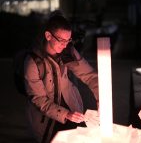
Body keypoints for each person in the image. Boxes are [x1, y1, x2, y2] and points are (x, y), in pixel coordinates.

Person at [24, 11, 99, 143]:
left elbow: (90, 76)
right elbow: (39, 99)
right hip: (46, 121)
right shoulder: (33, 62)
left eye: (68, 40)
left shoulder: (67, 51)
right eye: (61, 40)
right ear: (48, 36)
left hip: (72, 109)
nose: (65, 45)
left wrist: (101, 100)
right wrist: (65, 114)